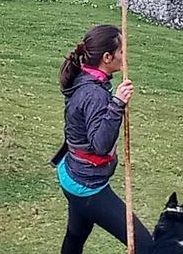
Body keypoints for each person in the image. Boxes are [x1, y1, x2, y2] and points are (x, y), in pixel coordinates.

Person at [51, 24, 154, 254]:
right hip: (86, 184)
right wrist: (117, 104)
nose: (124, 56)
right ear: (107, 57)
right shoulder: (94, 94)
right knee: (144, 246)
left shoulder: (85, 76)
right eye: (121, 52)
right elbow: (100, 145)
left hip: (71, 173)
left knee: (76, 235)